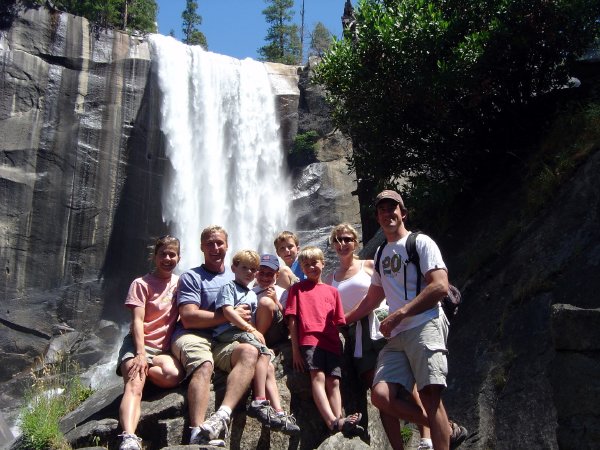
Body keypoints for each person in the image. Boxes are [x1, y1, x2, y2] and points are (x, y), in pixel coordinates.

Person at [345, 190, 468, 450]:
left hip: (425, 322)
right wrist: (341, 320)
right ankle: (444, 427)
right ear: (377, 217)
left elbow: (440, 287)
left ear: (403, 213)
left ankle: (440, 435)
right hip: (397, 335)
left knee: (429, 395)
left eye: (393, 208)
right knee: (380, 395)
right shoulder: (380, 254)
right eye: (382, 210)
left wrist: (400, 313)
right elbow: (372, 299)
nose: (387, 213)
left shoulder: (420, 242)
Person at [326, 223, 433, 449]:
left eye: (347, 239)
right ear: (332, 244)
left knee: (407, 384)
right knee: (380, 394)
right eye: (337, 240)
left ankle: (427, 438)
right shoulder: (330, 279)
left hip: (383, 324)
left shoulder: (369, 265)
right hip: (357, 335)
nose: (342, 244)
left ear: (355, 242)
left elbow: (392, 287)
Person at [170, 226, 258, 445]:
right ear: (201, 247)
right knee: (204, 364)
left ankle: (222, 415)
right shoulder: (191, 277)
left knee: (249, 352)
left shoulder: (238, 276)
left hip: (223, 339)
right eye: (210, 243)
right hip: (192, 335)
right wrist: (229, 315)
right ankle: (197, 432)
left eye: (219, 243)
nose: (215, 248)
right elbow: (189, 317)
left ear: (227, 246)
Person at [213, 250, 300, 435]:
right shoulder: (238, 289)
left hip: (262, 333)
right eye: (260, 271)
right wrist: (252, 331)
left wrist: (275, 303)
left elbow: (289, 318)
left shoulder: (276, 292)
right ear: (234, 268)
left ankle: (277, 411)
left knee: (266, 359)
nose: (261, 275)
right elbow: (228, 312)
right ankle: (269, 406)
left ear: (277, 275)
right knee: (267, 363)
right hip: (238, 334)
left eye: (269, 273)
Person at [285, 246, 364, 436]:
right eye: (306, 265)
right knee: (318, 378)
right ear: (301, 269)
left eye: (314, 263)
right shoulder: (297, 289)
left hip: (331, 342)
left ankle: (340, 421)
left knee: (334, 382)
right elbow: (292, 320)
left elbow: (339, 322)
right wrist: (296, 350)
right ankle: (332, 422)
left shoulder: (332, 292)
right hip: (310, 339)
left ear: (323, 263)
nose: (311, 267)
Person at [116, 235, 185, 450]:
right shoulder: (141, 284)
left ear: (179, 258)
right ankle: (128, 436)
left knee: (174, 376)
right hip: (139, 344)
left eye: (172, 254)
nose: (167, 258)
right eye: (162, 254)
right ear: (155, 257)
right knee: (135, 383)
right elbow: (137, 320)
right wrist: (140, 353)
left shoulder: (180, 283)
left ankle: (146, 374)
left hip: (162, 350)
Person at [252, 254, 289, 349]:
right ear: (256, 273)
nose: (265, 277)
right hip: (253, 328)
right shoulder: (251, 291)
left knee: (266, 302)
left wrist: (275, 300)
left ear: (277, 275)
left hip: (275, 333)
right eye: (261, 273)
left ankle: (256, 341)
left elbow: (287, 319)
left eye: (269, 274)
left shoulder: (283, 292)